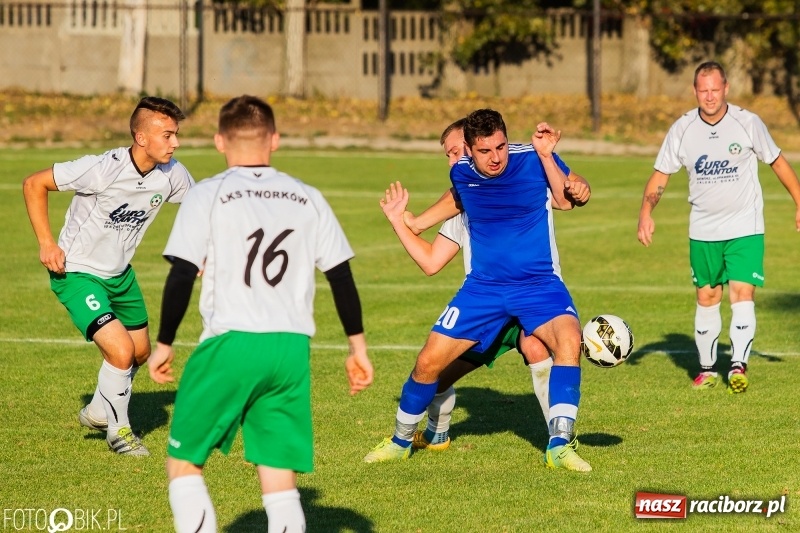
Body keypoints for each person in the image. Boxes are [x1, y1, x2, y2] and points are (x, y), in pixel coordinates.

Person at [147, 95, 374, 533]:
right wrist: (357, 348)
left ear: (218, 141)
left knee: (184, 463)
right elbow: (341, 276)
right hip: (289, 351)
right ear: (274, 139)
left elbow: (181, 274)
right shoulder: (308, 197)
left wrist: (163, 344)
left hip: (232, 342)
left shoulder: (209, 194)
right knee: (278, 479)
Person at [365, 109, 592, 472]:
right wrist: (410, 221)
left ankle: (560, 444)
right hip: (483, 292)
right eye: (483, 151)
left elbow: (567, 195)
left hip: (538, 286)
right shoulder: (463, 176)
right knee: (428, 364)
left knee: (564, 342)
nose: (496, 157)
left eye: (501, 146)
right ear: (470, 151)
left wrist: (568, 173)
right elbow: (453, 205)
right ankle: (402, 440)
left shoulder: (531, 158)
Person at [22, 96, 194, 456]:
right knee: (120, 351)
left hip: (120, 275)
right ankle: (120, 433)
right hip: (76, 272)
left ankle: (100, 410)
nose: (175, 143)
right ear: (141, 136)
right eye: (167, 135)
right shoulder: (101, 168)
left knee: (140, 353)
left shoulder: (172, 174)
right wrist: (46, 243)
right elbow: (33, 184)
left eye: (176, 134)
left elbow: (200, 205)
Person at [637, 61, 800, 393]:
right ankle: (707, 370)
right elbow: (660, 175)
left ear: (726, 88)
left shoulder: (747, 122)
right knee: (708, 296)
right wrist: (645, 211)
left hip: (745, 226)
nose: (709, 96)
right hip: (703, 230)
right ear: (695, 91)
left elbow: (778, 162)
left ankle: (738, 365)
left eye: (715, 89)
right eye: (703, 90)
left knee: (742, 293)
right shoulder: (682, 128)